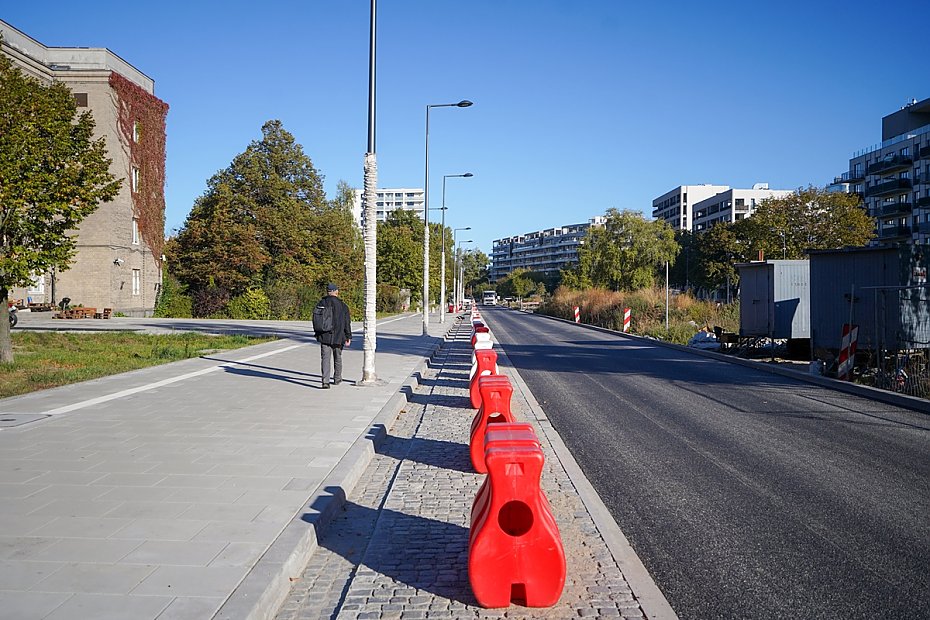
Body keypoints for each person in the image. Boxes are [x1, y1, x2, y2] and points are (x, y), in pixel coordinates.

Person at [314, 283, 352, 389]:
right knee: (338, 357)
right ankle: (337, 378)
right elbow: (346, 322)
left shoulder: (321, 303)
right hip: (339, 336)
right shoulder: (343, 306)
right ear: (336, 291)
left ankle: (325, 381)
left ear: (328, 292)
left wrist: (317, 333)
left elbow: (317, 320)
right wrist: (348, 336)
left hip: (324, 335)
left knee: (325, 358)